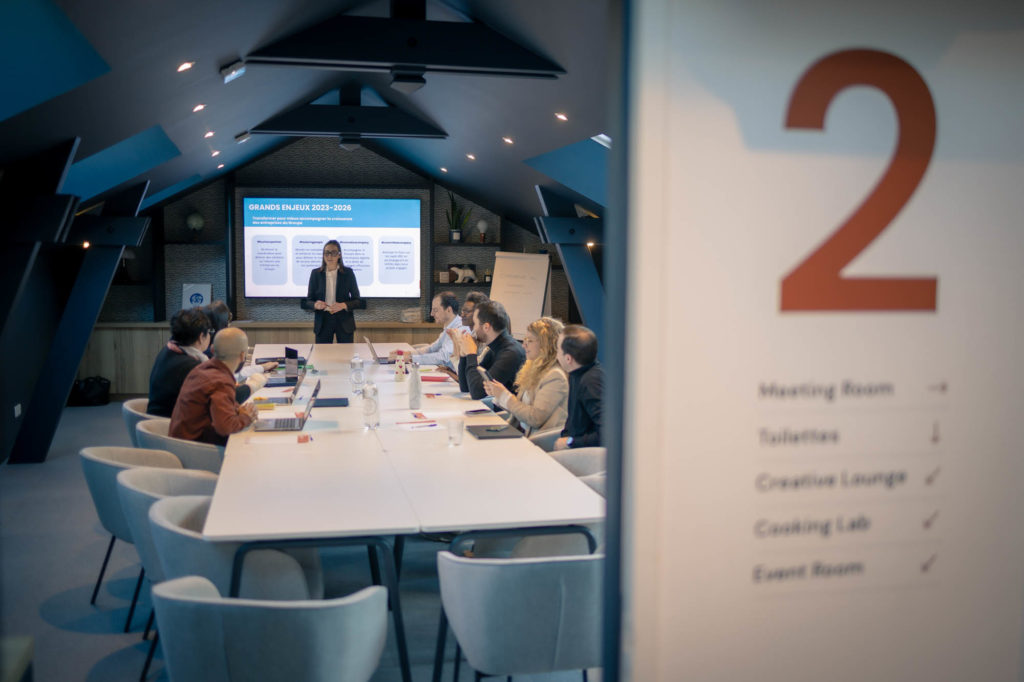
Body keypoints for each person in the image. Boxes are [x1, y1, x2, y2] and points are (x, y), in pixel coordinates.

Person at [169, 327, 259, 447]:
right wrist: (246, 417)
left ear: (212, 349)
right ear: (242, 356)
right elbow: (225, 427)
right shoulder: (221, 381)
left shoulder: (201, 369)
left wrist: (238, 410)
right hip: (194, 450)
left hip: (180, 443)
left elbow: (220, 407)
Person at [483, 317, 568, 436]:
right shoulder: (533, 369)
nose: (524, 345)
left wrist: (505, 396)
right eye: (525, 340)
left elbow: (535, 418)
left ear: (546, 344)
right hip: (520, 433)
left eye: (530, 341)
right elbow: (520, 410)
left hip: (537, 441)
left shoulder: (555, 376)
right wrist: (498, 395)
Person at [451, 299, 525, 400]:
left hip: (505, 409)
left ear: (486, 327)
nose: (473, 329)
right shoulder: (495, 348)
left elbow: (477, 393)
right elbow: (465, 387)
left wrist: (471, 354)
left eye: (475, 324)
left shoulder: (511, 353)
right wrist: (464, 355)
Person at [147, 308, 213, 417]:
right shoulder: (192, 367)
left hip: (158, 419)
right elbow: (217, 398)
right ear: (201, 337)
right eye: (210, 332)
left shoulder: (169, 350)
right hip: (170, 424)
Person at [301, 240, 365, 343]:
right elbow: (307, 302)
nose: (329, 256)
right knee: (322, 353)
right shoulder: (316, 273)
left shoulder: (348, 273)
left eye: (333, 253)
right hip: (323, 320)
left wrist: (343, 305)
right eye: (326, 253)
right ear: (323, 255)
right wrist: (315, 305)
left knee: (346, 352)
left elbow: (359, 301)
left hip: (344, 320)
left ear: (339, 255)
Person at [553, 325, 603, 450]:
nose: (556, 355)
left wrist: (570, 442)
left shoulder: (591, 383)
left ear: (568, 358)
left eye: (557, 350)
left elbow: (607, 434)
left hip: (584, 452)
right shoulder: (577, 373)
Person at [411, 291, 467, 370]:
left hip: (456, 376)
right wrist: (408, 354)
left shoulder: (460, 328)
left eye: (435, 310)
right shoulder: (448, 327)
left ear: (449, 310)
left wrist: (412, 358)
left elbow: (444, 357)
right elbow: (432, 348)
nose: (432, 314)